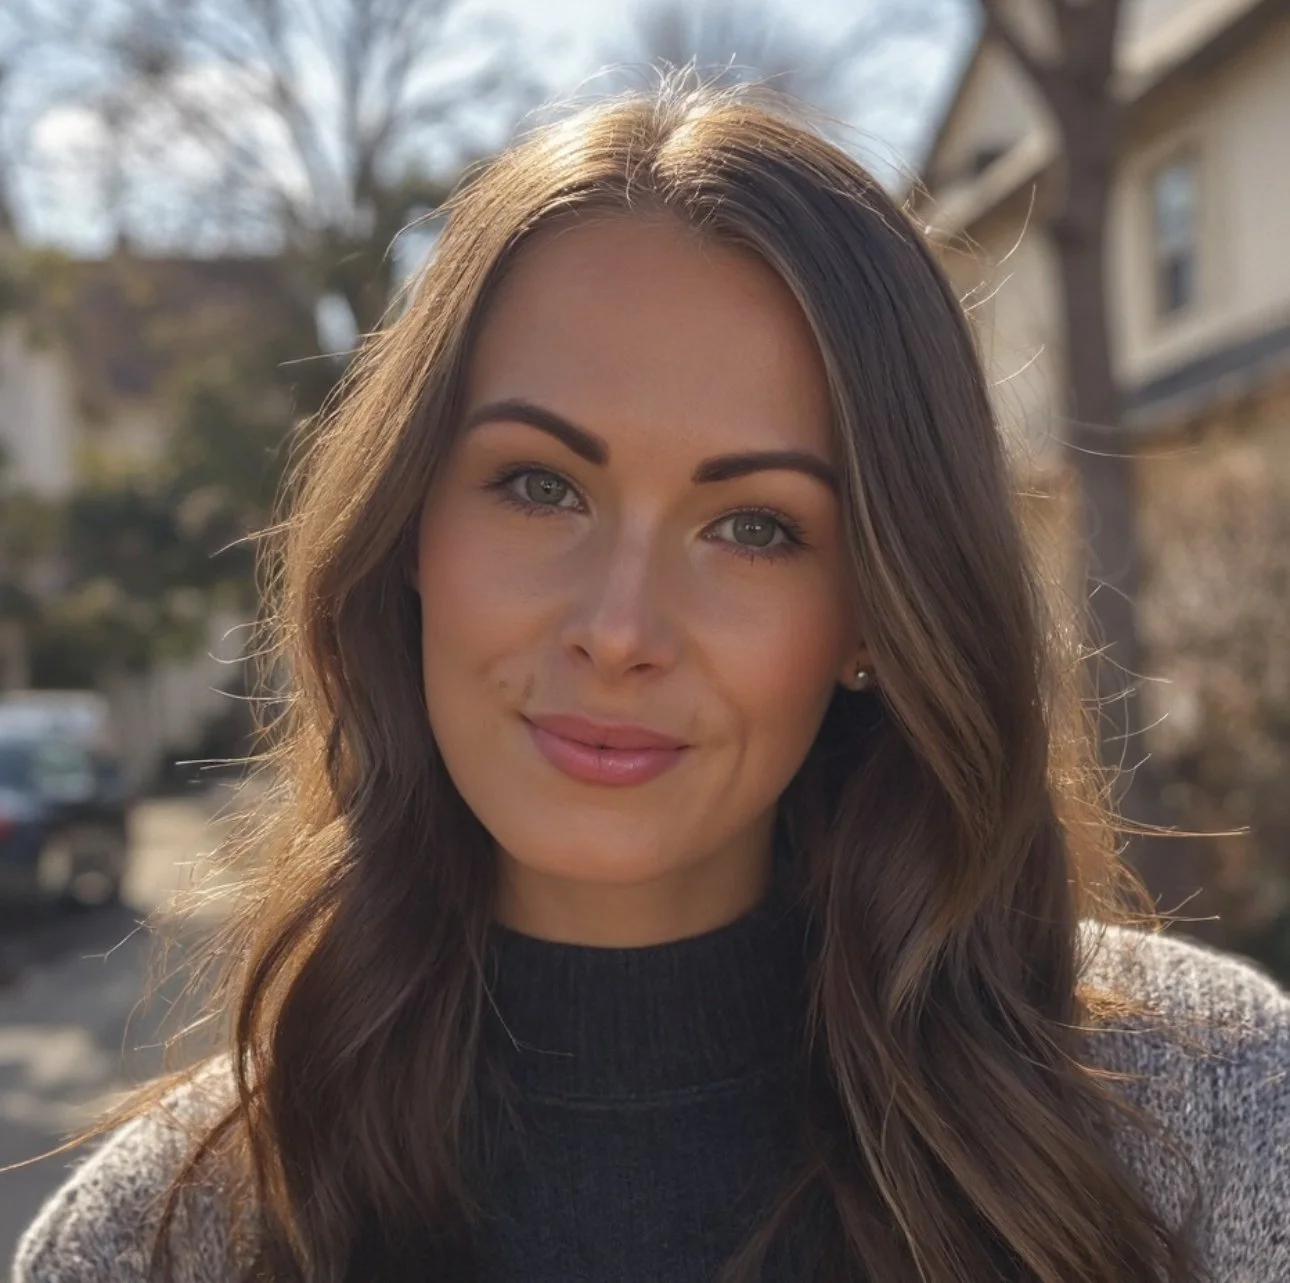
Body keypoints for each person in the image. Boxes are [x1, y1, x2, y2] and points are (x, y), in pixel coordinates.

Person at [12, 76, 1289, 1283]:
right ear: (408, 533)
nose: (619, 630)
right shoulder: (156, 1237)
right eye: (538, 486)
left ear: (878, 611)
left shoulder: (1203, 1125)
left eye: (755, 526)